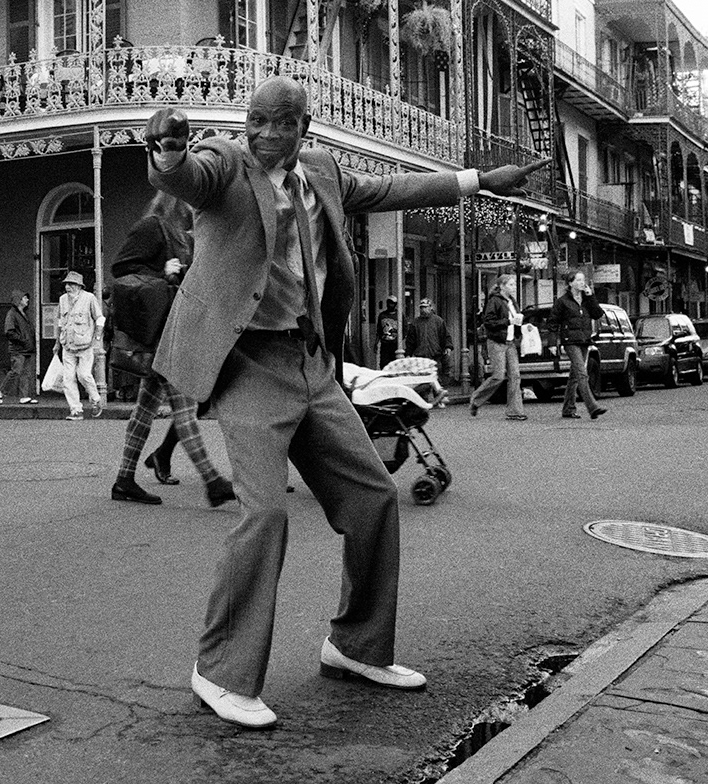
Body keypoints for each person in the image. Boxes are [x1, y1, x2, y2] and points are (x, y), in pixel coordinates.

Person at [145, 76, 549, 728]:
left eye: (284, 124)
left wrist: (481, 180)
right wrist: (167, 153)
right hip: (249, 364)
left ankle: (355, 645)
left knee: (372, 498)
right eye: (259, 120)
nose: (268, 134)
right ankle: (219, 671)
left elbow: (393, 188)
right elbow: (188, 176)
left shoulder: (322, 172)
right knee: (266, 515)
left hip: (314, 364)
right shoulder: (226, 164)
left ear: (308, 129)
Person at [109, 191, 234, 508]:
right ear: (177, 201)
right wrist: (163, 273)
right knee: (184, 406)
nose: (195, 207)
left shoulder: (179, 234)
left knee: (145, 409)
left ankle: (124, 479)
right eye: (191, 201)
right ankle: (212, 480)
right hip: (163, 332)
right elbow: (121, 269)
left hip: (170, 329)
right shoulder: (152, 227)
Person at [548, 270, 607, 421]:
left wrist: (591, 296)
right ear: (570, 283)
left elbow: (598, 314)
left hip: (584, 340)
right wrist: (552, 343)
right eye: (579, 280)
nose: (582, 282)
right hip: (570, 341)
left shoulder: (587, 300)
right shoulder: (562, 302)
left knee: (574, 377)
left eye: (583, 280)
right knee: (582, 373)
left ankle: (568, 409)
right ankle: (592, 407)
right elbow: (553, 322)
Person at [468, 274, 527, 420]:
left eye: (514, 284)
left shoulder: (512, 301)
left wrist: (521, 326)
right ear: (502, 286)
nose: (514, 287)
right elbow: (488, 322)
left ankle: (515, 411)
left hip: (510, 342)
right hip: (497, 342)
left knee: (515, 376)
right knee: (498, 376)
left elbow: (515, 321)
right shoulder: (494, 301)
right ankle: (476, 400)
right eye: (511, 285)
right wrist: (509, 321)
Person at [55, 271, 103, 420]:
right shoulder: (62, 300)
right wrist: (57, 342)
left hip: (85, 345)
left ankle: (96, 399)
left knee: (83, 375)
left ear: (79, 286)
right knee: (68, 379)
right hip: (67, 345)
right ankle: (76, 410)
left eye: (71, 284)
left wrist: (97, 337)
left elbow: (100, 318)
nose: (68, 287)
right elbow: (59, 322)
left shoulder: (89, 298)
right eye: (66, 284)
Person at [0, 290, 37, 404]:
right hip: (18, 348)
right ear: (18, 300)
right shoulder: (12, 314)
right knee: (16, 371)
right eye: (24, 298)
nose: (27, 300)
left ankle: (24, 396)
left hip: (26, 348)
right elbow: (9, 331)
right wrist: (23, 340)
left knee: (25, 373)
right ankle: (0, 391)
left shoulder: (23, 313)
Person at [404, 298, 453, 383]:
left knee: (436, 380)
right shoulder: (415, 323)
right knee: (423, 382)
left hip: (435, 356)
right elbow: (410, 340)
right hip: (421, 357)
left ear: (430, 307)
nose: (423, 309)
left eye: (425, 307)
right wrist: (408, 353)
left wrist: (448, 347)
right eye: (421, 307)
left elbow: (445, 336)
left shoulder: (438, 321)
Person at [375, 296, 399, 367]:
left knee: (394, 364)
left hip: (395, 344)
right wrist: (376, 343)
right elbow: (379, 330)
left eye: (392, 303)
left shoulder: (399, 315)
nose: (390, 305)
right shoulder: (382, 315)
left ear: (395, 304)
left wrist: (399, 339)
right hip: (385, 344)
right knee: (384, 363)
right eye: (389, 303)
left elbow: (405, 329)